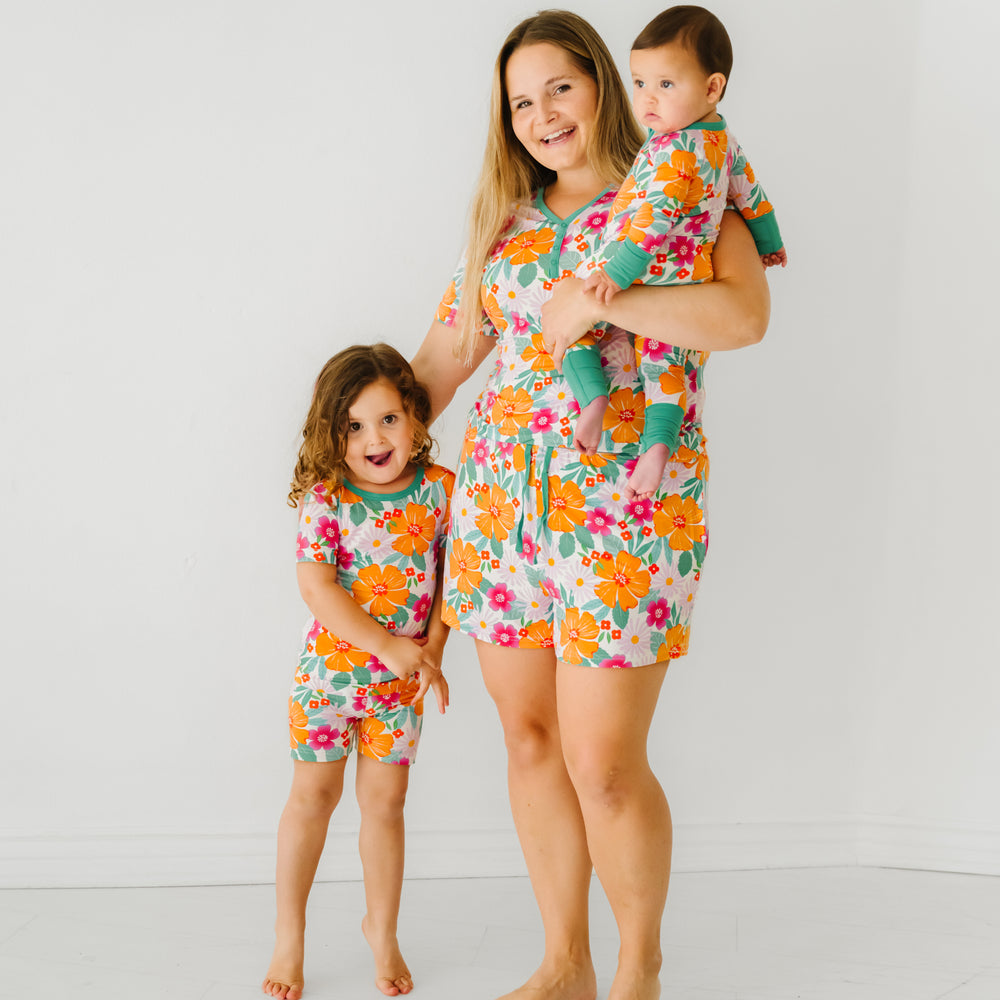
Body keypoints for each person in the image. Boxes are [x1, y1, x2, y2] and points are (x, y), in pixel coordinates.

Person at [412, 10, 769, 1000]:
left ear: (603, 84)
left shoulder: (676, 191)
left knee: (603, 760)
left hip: (629, 520)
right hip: (502, 514)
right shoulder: (505, 223)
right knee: (527, 741)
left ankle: (634, 965)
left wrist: (598, 302)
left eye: (558, 88)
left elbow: (741, 317)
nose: (540, 115)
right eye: (520, 102)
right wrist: (341, 441)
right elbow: (443, 361)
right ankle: (562, 961)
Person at [263, 343, 453, 1000]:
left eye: (389, 420)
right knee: (312, 800)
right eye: (355, 426)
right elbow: (317, 587)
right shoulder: (328, 497)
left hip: (399, 688)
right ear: (332, 432)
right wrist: (390, 646)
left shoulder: (440, 491)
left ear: (415, 419)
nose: (375, 439)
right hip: (328, 683)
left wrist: (429, 653)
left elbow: (453, 585)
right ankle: (291, 932)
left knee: (387, 806)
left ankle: (383, 927)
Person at [562, 4, 786, 499]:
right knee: (668, 368)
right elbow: (751, 194)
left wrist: (615, 274)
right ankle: (657, 447)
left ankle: (593, 398)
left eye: (666, 85)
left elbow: (656, 216)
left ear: (712, 87)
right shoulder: (722, 141)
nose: (647, 99)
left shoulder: (675, 150)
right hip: (687, 276)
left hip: (638, 265)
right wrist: (769, 243)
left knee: (572, 321)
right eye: (640, 83)